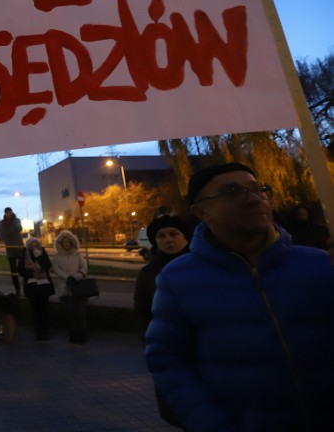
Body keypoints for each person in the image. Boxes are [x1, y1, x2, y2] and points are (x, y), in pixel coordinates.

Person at [145, 163, 334, 431]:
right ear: (202, 213)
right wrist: (207, 421)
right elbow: (167, 360)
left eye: (258, 189)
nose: (254, 198)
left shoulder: (320, 264)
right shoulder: (178, 279)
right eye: (232, 191)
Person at [133, 215, 191, 428]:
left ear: (185, 237)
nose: (168, 240)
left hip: (206, 348)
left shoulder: (200, 265)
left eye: (174, 234)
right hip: (169, 351)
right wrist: (149, 344)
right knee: (179, 409)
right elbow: (142, 312)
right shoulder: (148, 273)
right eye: (161, 235)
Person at [52, 229, 89, 344]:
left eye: (68, 242)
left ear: (72, 243)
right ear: (61, 244)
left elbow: (84, 267)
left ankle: (82, 334)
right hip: (65, 288)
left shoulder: (77, 255)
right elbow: (56, 269)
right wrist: (67, 277)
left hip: (78, 288)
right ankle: (72, 334)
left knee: (80, 312)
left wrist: (76, 276)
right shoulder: (57, 256)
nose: (66, 245)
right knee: (71, 313)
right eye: (64, 243)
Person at [19, 238, 55, 340]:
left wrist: (39, 256)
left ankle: (45, 331)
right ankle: (38, 331)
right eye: (32, 246)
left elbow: (47, 266)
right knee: (35, 310)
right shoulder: (25, 255)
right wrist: (32, 274)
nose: (34, 247)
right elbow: (21, 270)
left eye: (36, 245)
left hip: (44, 285)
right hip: (32, 285)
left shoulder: (42, 253)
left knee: (44, 309)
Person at [0, 207, 24, 296]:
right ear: (5, 213)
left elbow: (20, 228)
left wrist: (13, 227)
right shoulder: (3, 222)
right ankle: (17, 289)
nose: (9, 214)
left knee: (23, 268)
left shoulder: (16, 220)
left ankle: (26, 286)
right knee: (13, 271)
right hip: (10, 249)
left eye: (10, 212)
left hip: (19, 247)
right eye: (7, 213)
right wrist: (14, 227)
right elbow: (5, 233)